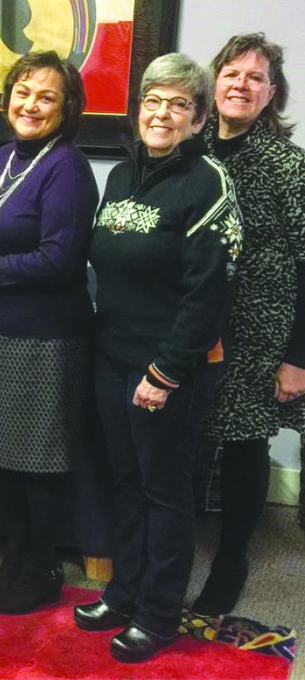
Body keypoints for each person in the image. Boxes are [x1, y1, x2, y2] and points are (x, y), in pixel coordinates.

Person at [76, 53, 242, 663]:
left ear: (198, 119)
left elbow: (209, 293)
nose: (162, 113)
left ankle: (159, 613)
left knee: (164, 491)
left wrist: (165, 371)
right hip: (113, 357)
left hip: (170, 369)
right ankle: (124, 594)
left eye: (178, 104)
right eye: (153, 100)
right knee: (126, 482)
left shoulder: (208, 183)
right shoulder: (122, 177)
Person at [0, 51, 99, 615]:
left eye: (46, 96)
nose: (30, 105)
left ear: (67, 108)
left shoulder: (68, 167)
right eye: (23, 92)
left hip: (46, 340)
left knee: (39, 461)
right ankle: (15, 560)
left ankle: (42, 569)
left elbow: (61, 259)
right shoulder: (6, 157)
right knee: (5, 458)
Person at [193, 34, 305, 615]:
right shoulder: (190, 149)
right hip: (194, 321)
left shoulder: (288, 165)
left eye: (255, 77)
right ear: (214, 82)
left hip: (259, 331)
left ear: (271, 93)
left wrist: (298, 357)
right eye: (231, 73)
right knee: (187, 432)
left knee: (242, 441)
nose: (241, 84)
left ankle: (232, 558)